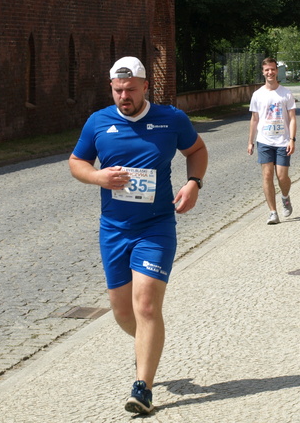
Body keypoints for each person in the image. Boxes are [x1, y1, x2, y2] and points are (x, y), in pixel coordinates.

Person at [68, 56, 208, 415]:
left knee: (146, 305)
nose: (123, 96)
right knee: (123, 312)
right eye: (117, 90)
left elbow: (196, 150)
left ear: (147, 86)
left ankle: (142, 388)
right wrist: (98, 177)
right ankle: (150, 343)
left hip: (156, 226)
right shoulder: (98, 122)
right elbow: (76, 162)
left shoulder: (171, 119)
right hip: (114, 229)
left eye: (130, 89)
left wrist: (194, 183)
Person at [248, 57, 297, 225]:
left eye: (273, 69)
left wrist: (292, 139)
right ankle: (272, 212)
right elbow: (254, 119)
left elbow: (292, 119)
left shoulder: (286, 93)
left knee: (282, 177)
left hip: (283, 141)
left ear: (277, 71)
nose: (270, 72)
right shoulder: (257, 94)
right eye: (267, 70)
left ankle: (285, 197)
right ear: (263, 72)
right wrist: (251, 141)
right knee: (267, 175)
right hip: (264, 141)